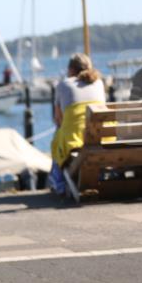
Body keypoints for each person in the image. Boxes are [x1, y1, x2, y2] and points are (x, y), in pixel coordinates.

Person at [49, 53, 105, 192]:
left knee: (57, 137)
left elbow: (58, 119)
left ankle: (59, 183)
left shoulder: (64, 84)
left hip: (74, 141)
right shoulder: (98, 83)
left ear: (71, 70)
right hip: (102, 138)